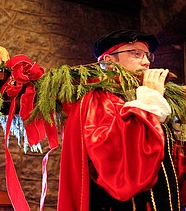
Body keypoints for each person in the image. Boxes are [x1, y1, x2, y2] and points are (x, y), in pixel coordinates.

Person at [57, 29, 180, 210]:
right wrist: (149, 99)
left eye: (147, 55)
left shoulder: (141, 97)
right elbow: (116, 161)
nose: (146, 62)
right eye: (136, 54)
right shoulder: (99, 99)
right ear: (109, 61)